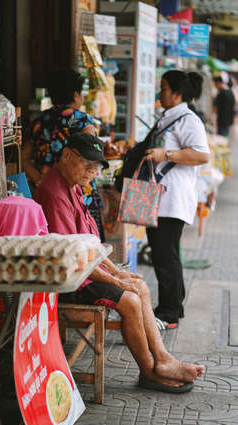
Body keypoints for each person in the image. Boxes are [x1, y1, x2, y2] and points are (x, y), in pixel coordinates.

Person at [34, 131, 205, 394]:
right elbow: (75, 258)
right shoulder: (54, 193)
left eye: (95, 167)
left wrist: (118, 273)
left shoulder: (73, 185)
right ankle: (149, 371)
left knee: (140, 286)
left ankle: (162, 359)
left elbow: (91, 244)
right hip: (71, 281)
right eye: (87, 164)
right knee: (131, 300)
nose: (92, 171)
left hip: (85, 270)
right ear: (67, 156)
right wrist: (116, 279)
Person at [144, 70, 210, 326]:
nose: (160, 93)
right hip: (159, 198)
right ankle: (173, 306)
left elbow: (202, 155)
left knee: (165, 255)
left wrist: (167, 155)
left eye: (163, 89)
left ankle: (169, 312)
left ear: (177, 94)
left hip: (171, 200)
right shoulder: (169, 117)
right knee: (165, 254)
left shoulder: (188, 120)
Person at [22, 69, 105, 241]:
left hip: (47, 193)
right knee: (87, 248)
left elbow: (23, 158)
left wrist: (39, 178)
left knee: (53, 242)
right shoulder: (81, 120)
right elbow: (93, 154)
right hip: (78, 192)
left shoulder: (39, 121)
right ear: (76, 95)